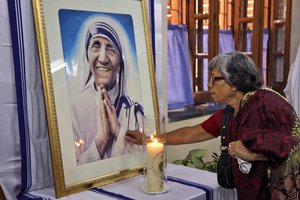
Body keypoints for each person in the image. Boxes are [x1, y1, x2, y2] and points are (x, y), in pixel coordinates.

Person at [125, 51, 300, 199]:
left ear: (234, 82)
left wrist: (253, 155)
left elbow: (293, 145)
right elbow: (191, 134)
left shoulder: (264, 103)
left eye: (215, 79)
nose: (209, 85)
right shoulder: (230, 114)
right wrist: (148, 139)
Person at [70, 17, 144, 165]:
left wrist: (118, 132)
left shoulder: (134, 111)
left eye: (111, 49)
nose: (103, 58)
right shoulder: (73, 109)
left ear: (121, 62)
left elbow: (143, 159)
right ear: (87, 56)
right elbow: (72, 170)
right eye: (96, 46)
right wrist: (101, 139)